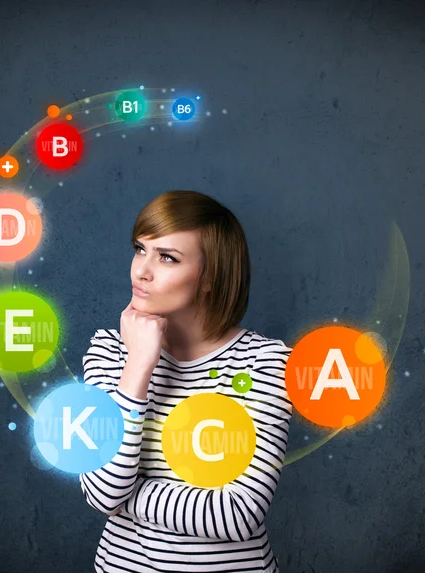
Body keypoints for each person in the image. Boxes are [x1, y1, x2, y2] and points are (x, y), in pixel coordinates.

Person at [79, 190, 293, 572]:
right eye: (140, 249)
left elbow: (238, 513)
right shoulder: (110, 353)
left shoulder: (268, 364)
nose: (142, 270)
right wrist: (139, 366)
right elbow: (100, 491)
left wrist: (126, 494)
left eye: (167, 257)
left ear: (210, 277)